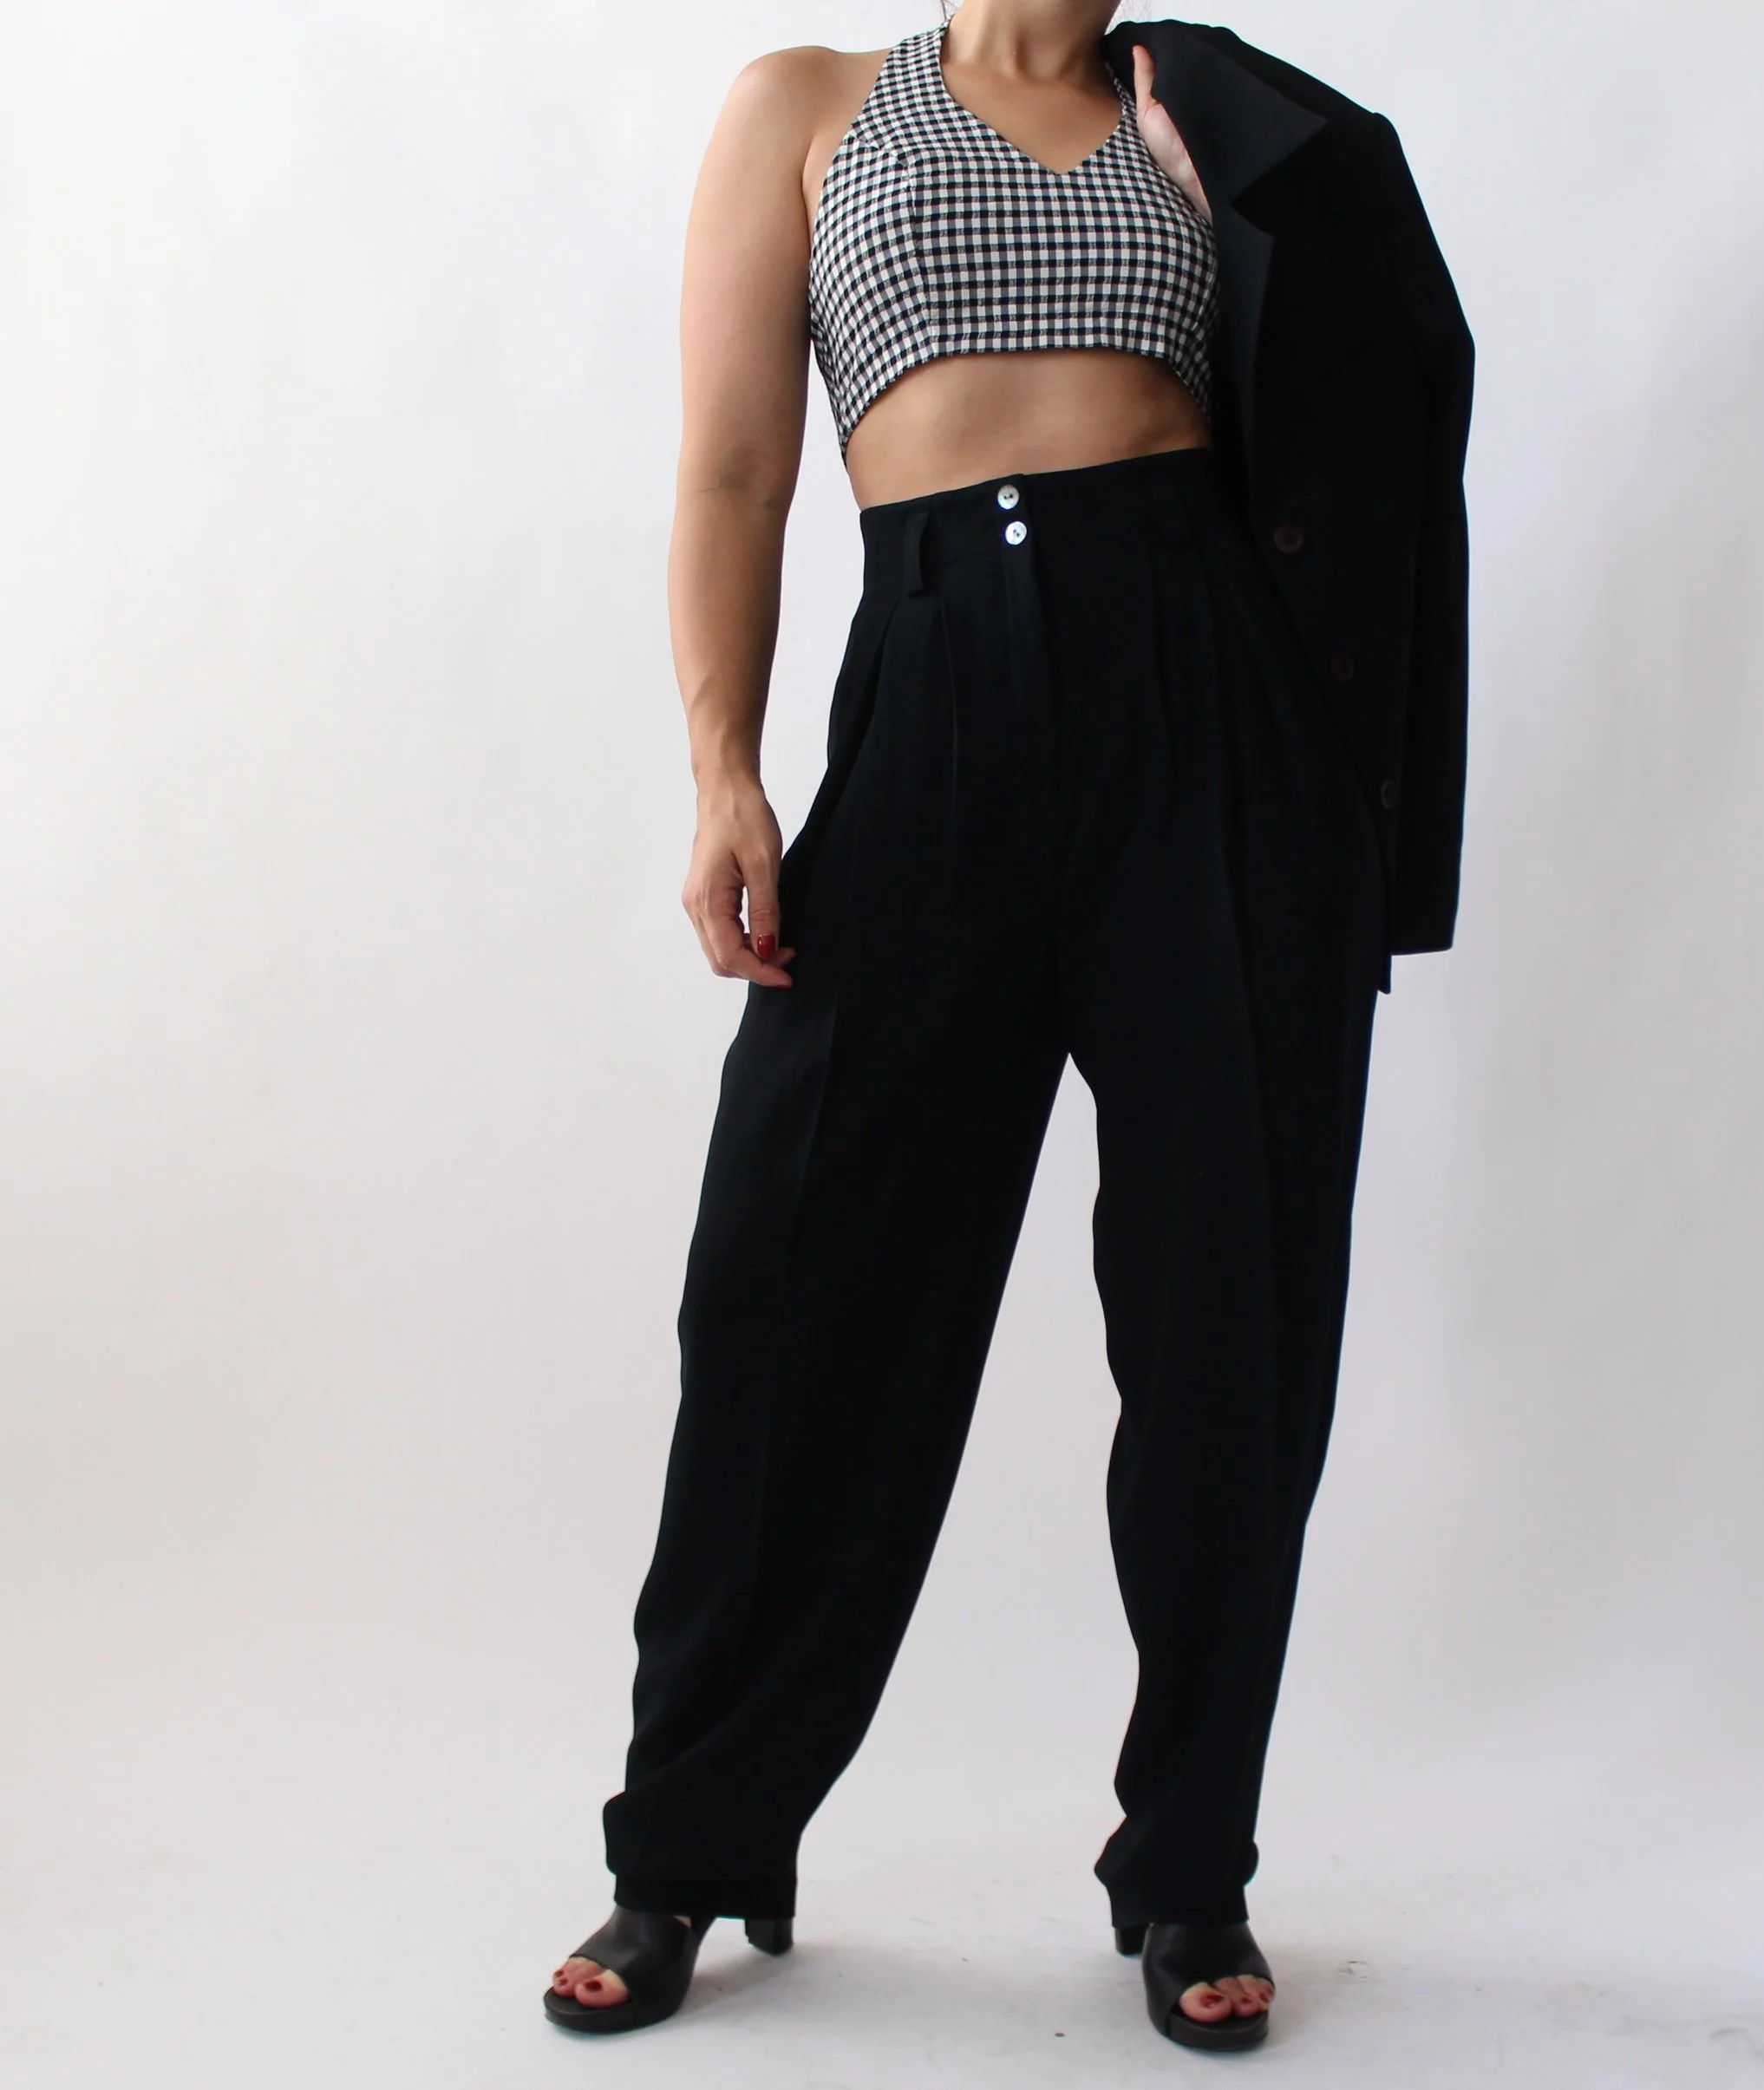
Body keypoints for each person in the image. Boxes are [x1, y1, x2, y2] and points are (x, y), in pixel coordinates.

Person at [544, 0, 1473, 2054]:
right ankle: (686, 1841)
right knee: (793, 1292)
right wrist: (722, 771)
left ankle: (1190, 1862)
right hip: (932, 688)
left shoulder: (1200, 109)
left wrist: (1344, 779)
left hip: (1210, 714)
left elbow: (1378, 386)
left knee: (1228, 1319)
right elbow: (731, 466)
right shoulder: (809, 108)